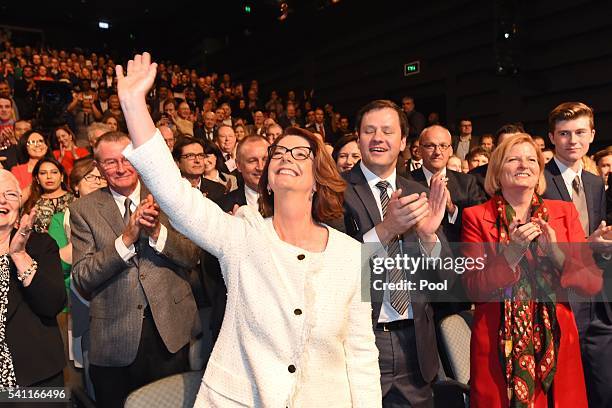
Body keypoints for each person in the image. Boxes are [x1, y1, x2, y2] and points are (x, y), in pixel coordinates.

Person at [116, 53, 381, 407]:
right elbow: (176, 196)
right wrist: (134, 106)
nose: (285, 156)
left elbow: (361, 354)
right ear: (269, 179)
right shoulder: (242, 237)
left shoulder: (351, 256)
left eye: (300, 153)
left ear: (319, 178)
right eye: (279, 152)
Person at [461, 133, 602, 407]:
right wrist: (510, 256)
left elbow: (592, 283)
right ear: (497, 171)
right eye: (513, 159)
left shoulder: (564, 212)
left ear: (539, 171)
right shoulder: (476, 217)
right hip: (498, 348)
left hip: (559, 344)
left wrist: (557, 254)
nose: (524, 165)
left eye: (531, 159)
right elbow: (472, 287)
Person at [70, 131, 200, 408]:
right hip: (114, 338)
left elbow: (192, 256)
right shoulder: (83, 210)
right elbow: (82, 276)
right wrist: (126, 239)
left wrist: (157, 233)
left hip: (170, 333)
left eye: (127, 159)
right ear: (99, 167)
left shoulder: (170, 197)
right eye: (110, 162)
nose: (120, 168)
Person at [342, 99, 454, 407]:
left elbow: (444, 279)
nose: (378, 138)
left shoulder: (419, 193)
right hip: (361, 340)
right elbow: (335, 270)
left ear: (403, 141)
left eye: (388, 131)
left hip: (415, 343)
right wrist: (386, 228)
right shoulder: (334, 192)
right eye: (369, 130)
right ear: (357, 137)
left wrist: (429, 236)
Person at [542, 102, 612, 408]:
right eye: (565, 133)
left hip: (597, 301)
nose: (573, 140)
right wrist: (590, 245)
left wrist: (604, 248)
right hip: (558, 299)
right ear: (552, 137)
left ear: (592, 134)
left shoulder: (596, 183)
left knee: (603, 387)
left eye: (580, 132)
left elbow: (595, 237)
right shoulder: (540, 180)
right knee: (566, 391)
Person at [0, 170, 66, 388]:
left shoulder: (40, 245)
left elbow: (52, 304)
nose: (2, 200)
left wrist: (19, 255)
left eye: (10, 194)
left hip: (37, 378)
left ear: (20, 202)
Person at [47, 157, 107, 399]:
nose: (96, 181)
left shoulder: (114, 212)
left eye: (100, 177)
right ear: (75, 185)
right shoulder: (60, 219)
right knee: (80, 371)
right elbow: (56, 263)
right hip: (74, 299)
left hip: (108, 296)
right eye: (89, 177)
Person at [23, 157, 74, 234]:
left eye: (54, 172)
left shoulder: (75, 200)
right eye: (43, 173)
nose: (49, 176)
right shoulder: (31, 204)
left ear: (62, 176)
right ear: (37, 179)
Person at [173, 136, 226, 204]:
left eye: (201, 155)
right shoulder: (171, 190)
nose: (197, 160)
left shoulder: (218, 190)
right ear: (177, 162)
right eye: (190, 156)